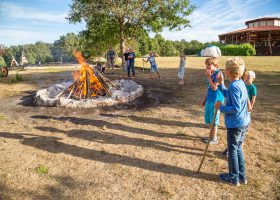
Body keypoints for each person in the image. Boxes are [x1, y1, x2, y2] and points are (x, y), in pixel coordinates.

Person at [215, 57, 250, 186]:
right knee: (238, 149)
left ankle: (233, 178)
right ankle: (242, 177)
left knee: (233, 150)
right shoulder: (239, 83)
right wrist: (221, 84)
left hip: (236, 124)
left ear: (229, 71)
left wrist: (221, 108)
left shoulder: (235, 86)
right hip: (243, 123)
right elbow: (228, 93)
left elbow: (235, 108)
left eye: (225, 68)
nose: (223, 70)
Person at [202, 57, 224, 145]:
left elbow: (214, 88)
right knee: (210, 118)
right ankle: (211, 136)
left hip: (216, 99)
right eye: (206, 65)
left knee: (214, 119)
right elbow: (209, 88)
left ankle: (214, 138)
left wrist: (208, 77)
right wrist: (205, 99)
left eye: (209, 65)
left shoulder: (219, 74)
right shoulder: (211, 73)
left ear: (216, 65)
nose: (207, 66)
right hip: (210, 99)